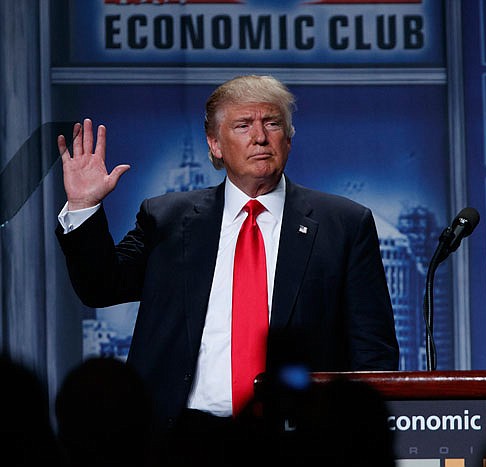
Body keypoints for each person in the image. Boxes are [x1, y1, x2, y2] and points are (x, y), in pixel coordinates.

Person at [55, 75, 399, 432]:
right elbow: (100, 287)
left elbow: (373, 353)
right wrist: (83, 207)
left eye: (272, 123)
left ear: (289, 139)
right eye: (243, 125)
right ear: (215, 144)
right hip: (183, 439)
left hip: (298, 438)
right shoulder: (168, 219)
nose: (260, 137)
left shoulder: (343, 224)